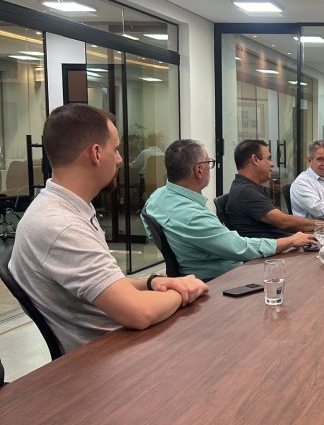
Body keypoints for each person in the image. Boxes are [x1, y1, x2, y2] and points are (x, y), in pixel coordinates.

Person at [9, 104, 209, 354]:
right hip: (110, 358)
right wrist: (185, 291)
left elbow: (109, 285)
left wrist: (153, 281)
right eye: (115, 149)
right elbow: (139, 312)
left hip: (122, 345)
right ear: (96, 153)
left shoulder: (70, 208)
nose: (120, 159)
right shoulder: (60, 225)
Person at [145, 139, 316, 280]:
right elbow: (240, 248)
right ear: (199, 170)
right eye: (209, 163)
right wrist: (290, 241)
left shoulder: (156, 198)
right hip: (219, 279)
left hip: (204, 271)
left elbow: (152, 234)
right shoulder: (192, 216)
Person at [226, 139, 324, 239]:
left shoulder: (249, 187)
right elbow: (283, 222)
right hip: (272, 255)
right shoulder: (246, 191)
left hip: (282, 246)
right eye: (268, 158)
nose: (272, 164)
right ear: (255, 160)